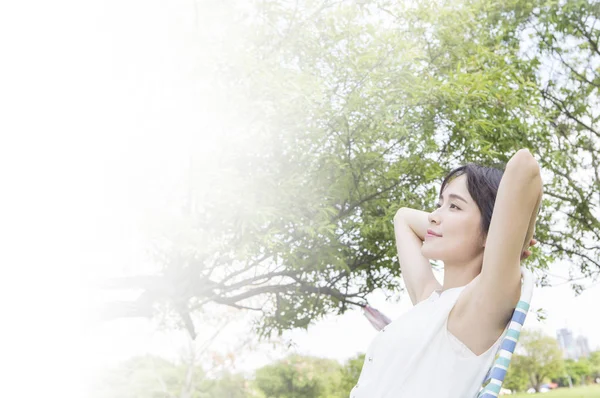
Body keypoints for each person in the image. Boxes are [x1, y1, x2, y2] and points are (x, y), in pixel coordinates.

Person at [350, 149, 543, 398]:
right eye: (439, 204)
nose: (433, 216)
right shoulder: (429, 300)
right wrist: (478, 229)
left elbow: (524, 166)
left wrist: (515, 240)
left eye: (454, 206)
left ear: (491, 231)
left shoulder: (478, 307)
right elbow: (403, 218)